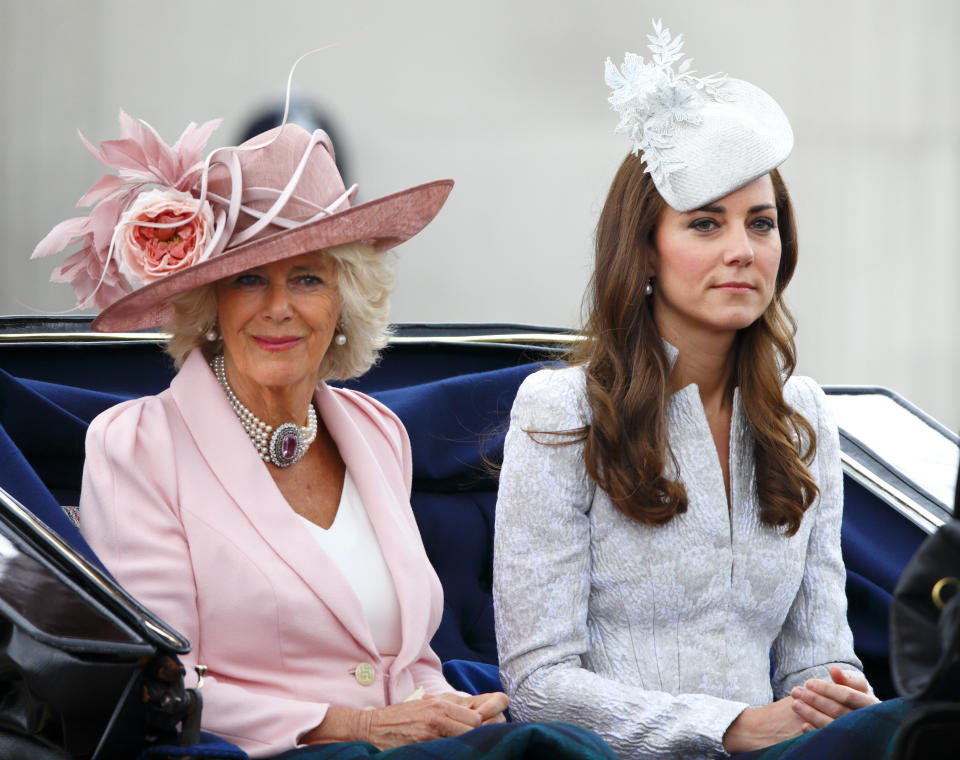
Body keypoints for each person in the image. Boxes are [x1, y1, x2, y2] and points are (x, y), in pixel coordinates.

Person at [32, 106, 523, 758]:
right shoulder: (138, 446)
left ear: (344, 302)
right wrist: (357, 729)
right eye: (249, 279)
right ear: (211, 304)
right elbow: (160, 679)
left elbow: (403, 666)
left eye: (308, 278)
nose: (278, 307)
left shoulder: (379, 435)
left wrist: (447, 710)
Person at [493, 20, 907, 760]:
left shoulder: (804, 415)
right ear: (645, 251)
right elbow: (538, 683)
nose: (742, 251)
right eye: (706, 224)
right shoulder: (561, 410)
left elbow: (818, 659)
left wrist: (841, 701)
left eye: (761, 224)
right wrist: (733, 726)